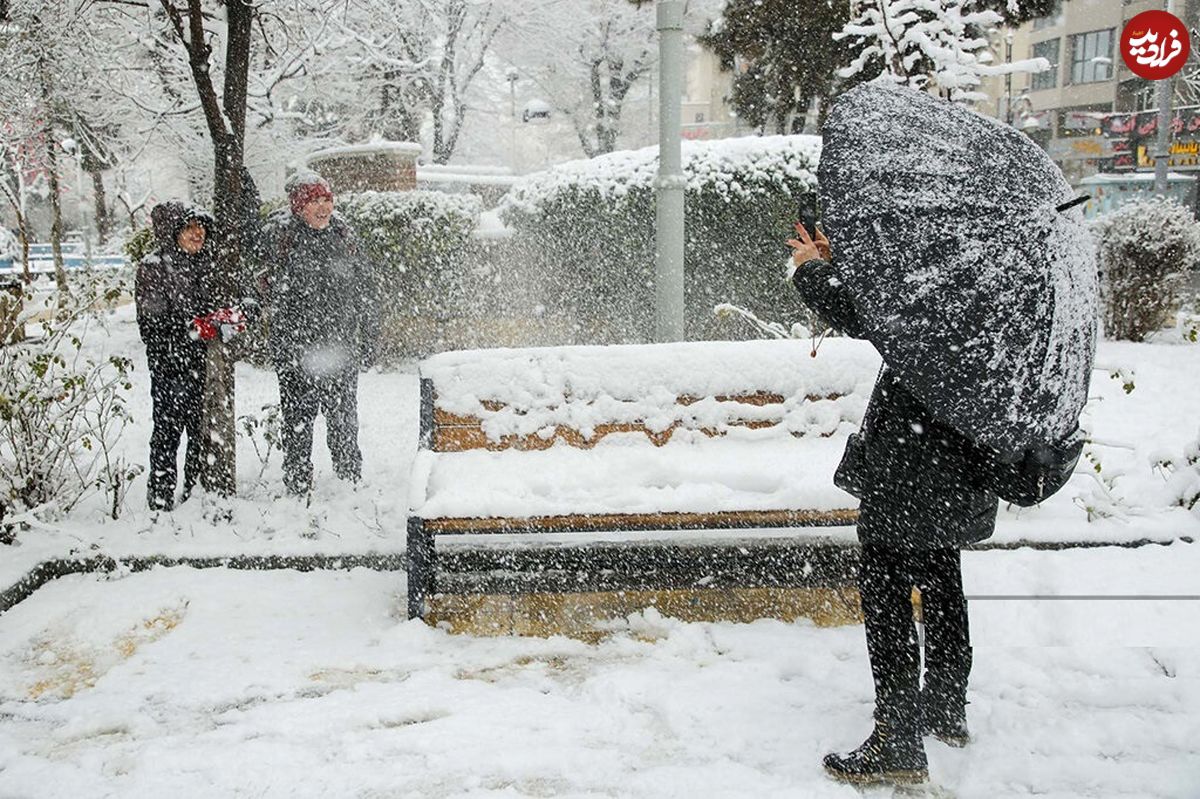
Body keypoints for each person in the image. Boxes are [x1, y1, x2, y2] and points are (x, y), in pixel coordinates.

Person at [788, 223, 995, 786]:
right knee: (941, 577)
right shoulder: (995, 286)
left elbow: (871, 316)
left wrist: (812, 268)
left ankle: (898, 738)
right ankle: (946, 706)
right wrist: (840, 262)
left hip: (909, 468)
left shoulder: (945, 281)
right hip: (957, 465)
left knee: (886, 596)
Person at [260, 172, 380, 496]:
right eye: (315, 200)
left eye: (327, 199)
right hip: (297, 350)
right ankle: (298, 485)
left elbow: (366, 289)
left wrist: (369, 336)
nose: (323, 206)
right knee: (298, 421)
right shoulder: (281, 237)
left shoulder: (344, 236)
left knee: (343, 420)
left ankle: (349, 481)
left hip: (339, 348)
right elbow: (263, 286)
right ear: (300, 206)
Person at [135, 201, 216, 510]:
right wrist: (193, 328)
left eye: (201, 227)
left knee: (200, 433)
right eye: (189, 228)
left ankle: (195, 493)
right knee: (168, 433)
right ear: (172, 232)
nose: (198, 234)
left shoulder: (208, 263)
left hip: (204, 364)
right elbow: (152, 322)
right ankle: (160, 498)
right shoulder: (154, 267)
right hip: (170, 366)